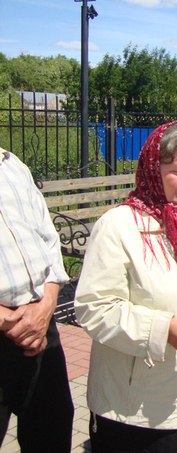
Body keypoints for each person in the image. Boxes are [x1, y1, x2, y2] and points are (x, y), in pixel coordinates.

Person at [74, 122, 177, 452]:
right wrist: (163, 329)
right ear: (154, 169)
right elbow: (94, 308)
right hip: (139, 410)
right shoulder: (119, 227)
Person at [0, 147, 74, 452]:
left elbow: (48, 237)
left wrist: (45, 307)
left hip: (42, 325)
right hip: (9, 324)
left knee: (52, 428)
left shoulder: (11, 164)